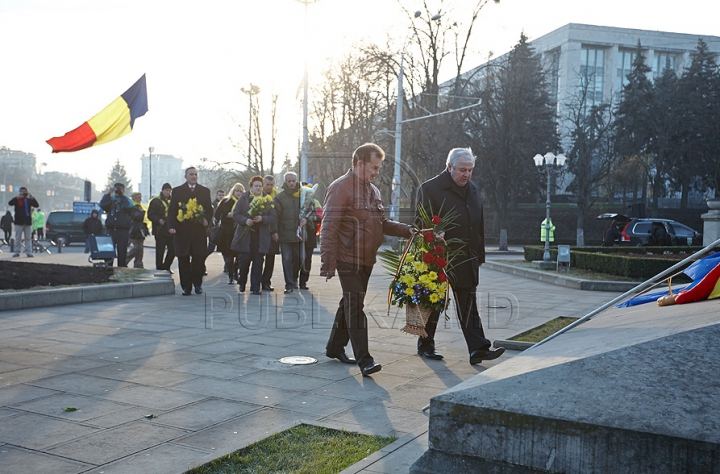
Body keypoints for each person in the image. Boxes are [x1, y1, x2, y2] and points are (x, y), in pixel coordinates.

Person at [321, 143, 414, 377]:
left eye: (378, 168)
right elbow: (329, 227)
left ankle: (334, 347)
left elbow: (381, 223)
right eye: (374, 167)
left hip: (367, 260)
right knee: (356, 306)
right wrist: (328, 263)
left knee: (350, 303)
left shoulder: (373, 191)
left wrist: (407, 230)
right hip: (347, 259)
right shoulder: (340, 188)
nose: (376, 172)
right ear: (359, 163)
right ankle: (365, 360)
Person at [416, 148, 505, 365]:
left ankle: (478, 349)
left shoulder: (474, 190)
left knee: (468, 304)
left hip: (466, 257)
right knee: (434, 302)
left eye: (470, 170)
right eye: (462, 170)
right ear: (449, 167)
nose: (467, 174)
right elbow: (419, 223)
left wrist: (479, 254)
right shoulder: (430, 189)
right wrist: (433, 233)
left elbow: (479, 225)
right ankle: (426, 345)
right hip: (437, 258)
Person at [167, 167, 213, 296]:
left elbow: (209, 210)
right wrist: (171, 226)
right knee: (183, 259)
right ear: (185, 176)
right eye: (191, 174)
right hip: (182, 232)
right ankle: (186, 287)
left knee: (199, 259)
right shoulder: (177, 191)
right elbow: (172, 211)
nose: (193, 176)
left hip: (199, 232)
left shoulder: (204, 191)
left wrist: (206, 220)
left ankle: (197, 284)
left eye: (195, 174)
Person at [232, 176, 276, 295]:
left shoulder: (267, 199)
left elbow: (273, 217)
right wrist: (245, 220)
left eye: (260, 186)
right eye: (255, 186)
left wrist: (262, 218)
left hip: (260, 236)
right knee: (244, 261)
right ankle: (242, 281)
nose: (258, 188)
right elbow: (235, 214)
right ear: (251, 187)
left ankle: (255, 287)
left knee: (258, 261)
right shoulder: (244, 198)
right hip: (246, 236)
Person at [273, 172, 306, 294]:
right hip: (284, 234)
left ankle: (294, 278)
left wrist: (306, 218)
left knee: (299, 259)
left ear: (296, 181)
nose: (291, 183)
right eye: (289, 181)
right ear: (285, 182)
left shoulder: (303, 195)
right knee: (286, 259)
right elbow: (274, 216)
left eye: (293, 181)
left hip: (299, 234)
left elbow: (310, 210)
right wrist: (275, 231)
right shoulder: (280, 197)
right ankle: (289, 284)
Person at [215, 183, 244, 285]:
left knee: (239, 256)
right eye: (237, 191)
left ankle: (236, 273)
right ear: (233, 191)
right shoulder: (226, 201)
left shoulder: (244, 202)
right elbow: (217, 214)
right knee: (228, 256)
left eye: (241, 191)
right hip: (227, 231)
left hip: (239, 231)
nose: (239, 193)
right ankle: (231, 275)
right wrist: (227, 215)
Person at [100, 183, 134, 267]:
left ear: (123, 190)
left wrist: (122, 197)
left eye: (120, 189)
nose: (118, 191)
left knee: (122, 251)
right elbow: (103, 205)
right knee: (108, 251)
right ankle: (108, 267)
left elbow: (129, 207)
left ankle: (121, 268)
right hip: (111, 229)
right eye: (117, 189)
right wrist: (108, 194)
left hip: (122, 230)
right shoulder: (111, 200)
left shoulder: (126, 200)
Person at [147, 183, 175, 271]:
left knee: (173, 249)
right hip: (160, 230)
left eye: (169, 190)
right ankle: (159, 267)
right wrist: (158, 220)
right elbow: (150, 214)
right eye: (166, 190)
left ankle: (166, 266)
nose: (168, 192)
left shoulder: (173, 201)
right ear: (162, 190)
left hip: (170, 229)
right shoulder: (155, 201)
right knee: (160, 250)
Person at [298, 183, 321, 290]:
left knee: (307, 259)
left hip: (310, 234)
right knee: (297, 259)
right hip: (298, 234)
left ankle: (303, 281)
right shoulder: (297, 203)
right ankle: (293, 279)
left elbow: (320, 217)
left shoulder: (315, 203)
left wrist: (310, 218)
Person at [9, 187, 39, 257]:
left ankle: (28, 252)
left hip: (27, 222)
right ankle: (17, 252)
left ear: (26, 192)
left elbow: (37, 205)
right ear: (19, 192)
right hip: (19, 222)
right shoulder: (17, 199)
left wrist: (33, 198)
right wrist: (17, 197)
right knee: (18, 238)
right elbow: (10, 203)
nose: (22, 193)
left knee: (28, 238)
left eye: (24, 191)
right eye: (21, 191)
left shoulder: (28, 200)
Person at [261, 175, 279, 291]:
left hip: (272, 231)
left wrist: (275, 231)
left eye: (271, 185)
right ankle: (256, 280)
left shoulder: (277, 196)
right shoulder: (258, 194)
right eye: (267, 184)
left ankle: (266, 281)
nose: (269, 187)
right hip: (260, 231)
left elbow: (278, 216)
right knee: (258, 258)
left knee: (270, 258)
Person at [126, 192, 148, 269]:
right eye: (138, 197)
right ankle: (125, 260)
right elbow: (137, 217)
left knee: (140, 248)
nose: (140, 199)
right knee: (137, 247)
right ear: (134, 198)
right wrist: (142, 213)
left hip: (139, 229)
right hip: (134, 230)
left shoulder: (139, 206)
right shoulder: (133, 206)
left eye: (140, 197)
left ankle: (138, 264)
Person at [206, 189, 226, 261]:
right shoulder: (213, 205)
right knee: (211, 247)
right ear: (216, 195)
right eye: (220, 195)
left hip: (222, 229)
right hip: (214, 228)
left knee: (224, 247)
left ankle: (227, 266)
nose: (221, 197)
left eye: (223, 195)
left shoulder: (225, 203)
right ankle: (201, 260)